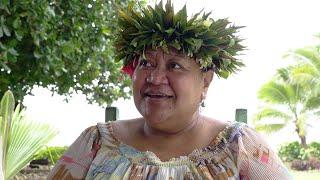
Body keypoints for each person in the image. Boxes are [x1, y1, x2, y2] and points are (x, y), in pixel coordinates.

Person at [48, 1, 292, 179]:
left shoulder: (240, 148)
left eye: (174, 65)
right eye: (146, 63)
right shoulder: (96, 143)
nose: (154, 77)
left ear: (205, 82)